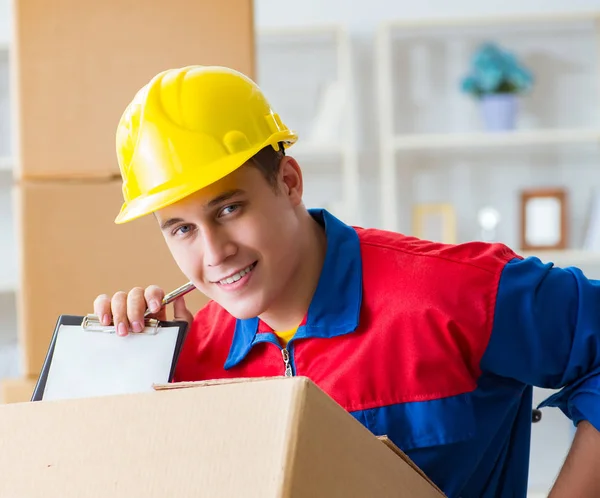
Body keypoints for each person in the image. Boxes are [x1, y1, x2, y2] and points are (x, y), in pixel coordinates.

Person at [94, 65, 600, 497]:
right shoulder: (190, 359)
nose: (214, 252)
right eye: (182, 229)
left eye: (230, 208)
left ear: (288, 182)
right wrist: (139, 372)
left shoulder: (452, 292)